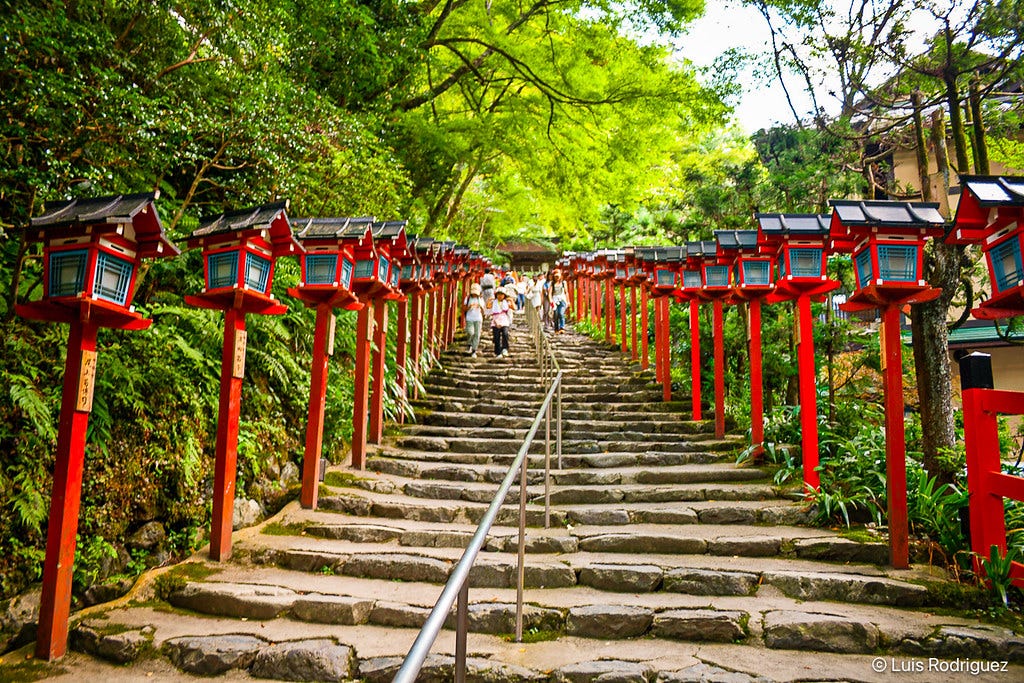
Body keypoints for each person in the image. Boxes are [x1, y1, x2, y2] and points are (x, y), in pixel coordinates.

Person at [463, 283, 485, 357]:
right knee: (470, 332)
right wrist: (469, 307)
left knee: (477, 335)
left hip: (478, 318)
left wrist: (481, 307)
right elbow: (464, 308)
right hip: (469, 318)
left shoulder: (480, 299)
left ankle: (474, 350)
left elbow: (483, 310)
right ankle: (469, 344)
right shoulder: (468, 298)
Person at [488, 288, 512, 357]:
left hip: (504, 319)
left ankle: (505, 348)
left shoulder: (506, 302)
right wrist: (489, 300)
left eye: (501, 294)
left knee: (505, 333)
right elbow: (488, 306)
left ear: (504, 295)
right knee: (496, 337)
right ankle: (498, 352)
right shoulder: (494, 302)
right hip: (495, 320)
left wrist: (511, 300)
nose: (500, 296)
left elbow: (513, 307)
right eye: (498, 294)